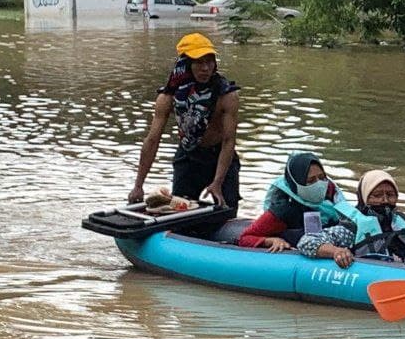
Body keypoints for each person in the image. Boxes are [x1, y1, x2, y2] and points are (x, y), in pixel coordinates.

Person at [128, 33, 241, 212]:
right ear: (186, 64)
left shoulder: (226, 95)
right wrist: (138, 185)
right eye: (199, 62)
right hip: (188, 156)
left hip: (220, 157)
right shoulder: (168, 97)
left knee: (226, 212)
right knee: (181, 210)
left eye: (209, 61)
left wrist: (217, 181)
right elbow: (152, 140)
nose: (205, 68)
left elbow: (229, 141)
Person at [238, 152, 345, 251]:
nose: (319, 184)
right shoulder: (284, 210)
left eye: (322, 177)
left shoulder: (332, 196)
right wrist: (271, 241)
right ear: (296, 183)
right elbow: (245, 238)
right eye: (310, 181)